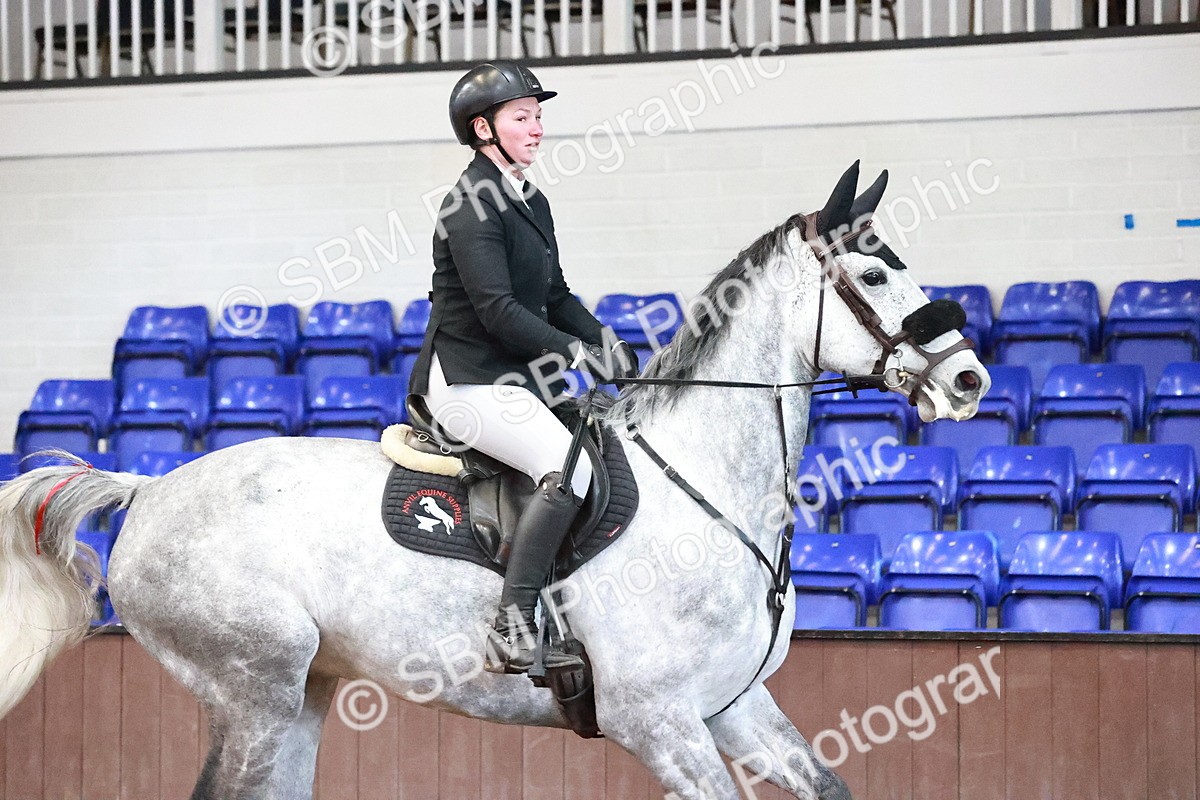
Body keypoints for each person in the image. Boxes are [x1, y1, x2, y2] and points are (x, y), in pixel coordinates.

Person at [409, 61, 638, 674]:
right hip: (468, 379)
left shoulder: (531, 198)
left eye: (538, 116)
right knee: (569, 470)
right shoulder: (467, 206)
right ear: (483, 128)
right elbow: (498, 311)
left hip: (518, 377)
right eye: (522, 117)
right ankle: (511, 622)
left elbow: (555, 295)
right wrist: (577, 353)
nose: (537, 128)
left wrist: (607, 341)